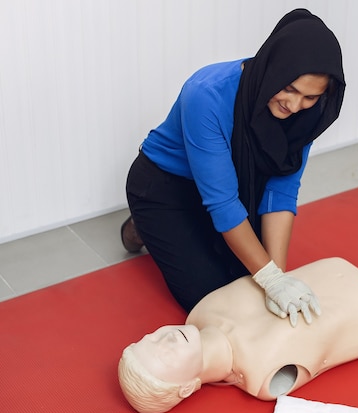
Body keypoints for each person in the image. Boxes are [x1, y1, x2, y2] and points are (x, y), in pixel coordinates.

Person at [121, 9, 346, 325]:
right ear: (274, 69)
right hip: (166, 188)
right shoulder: (206, 94)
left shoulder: (305, 115)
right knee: (218, 300)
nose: (295, 106)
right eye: (290, 89)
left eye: (309, 97)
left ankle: (181, 232)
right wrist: (269, 278)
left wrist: (276, 278)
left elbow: (280, 189)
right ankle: (143, 224)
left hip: (232, 187)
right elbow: (223, 203)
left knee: (251, 285)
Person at [118, 258, 358, 413]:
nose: (167, 338)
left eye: (151, 337)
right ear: (186, 388)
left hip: (334, 270)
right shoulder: (262, 377)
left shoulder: (201, 311)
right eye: (165, 354)